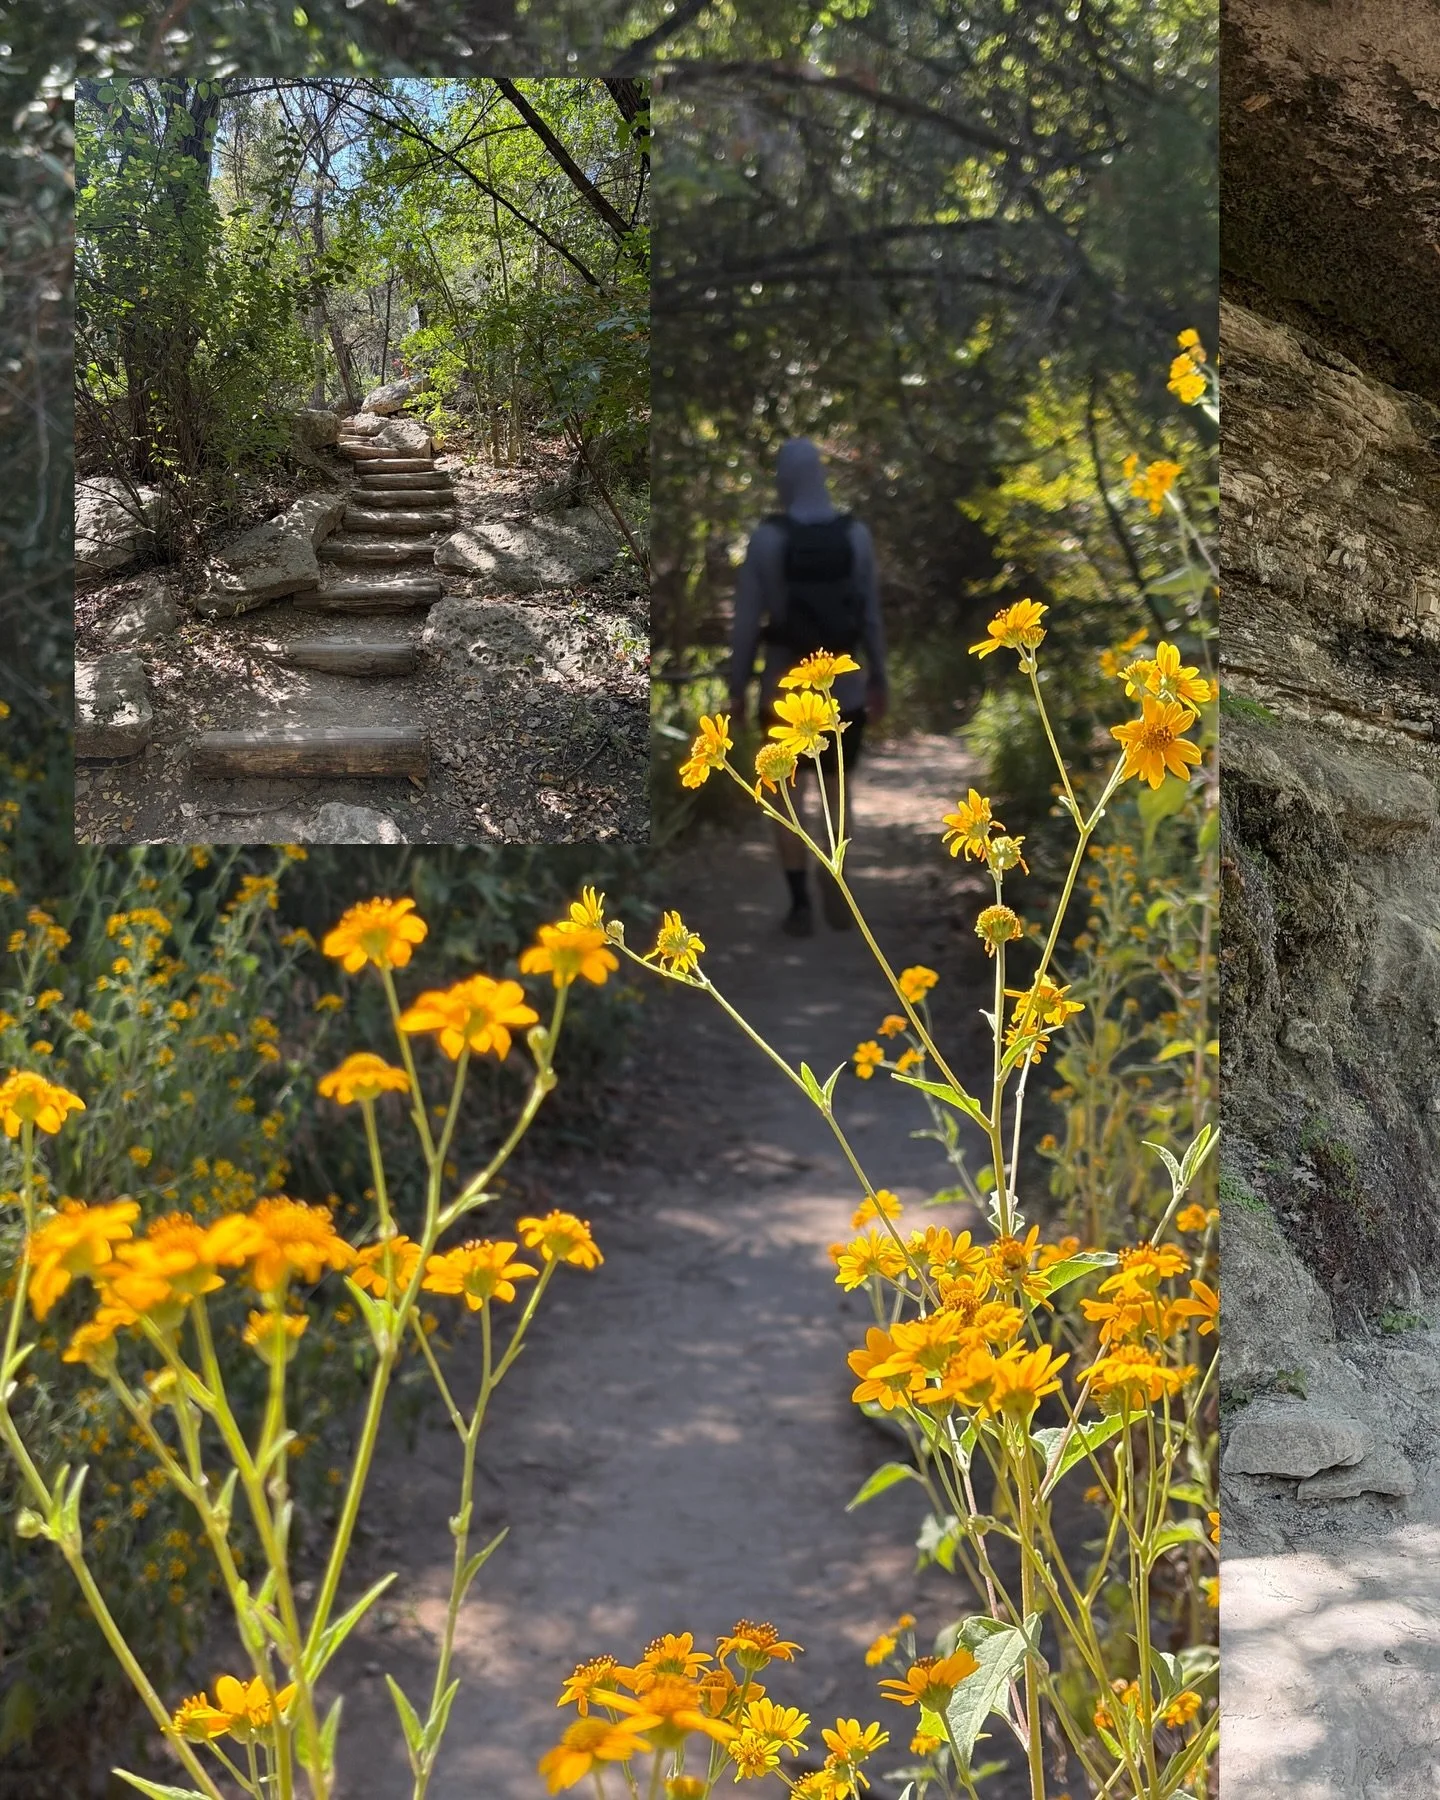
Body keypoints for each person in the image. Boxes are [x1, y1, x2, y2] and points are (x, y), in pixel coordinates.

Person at [729, 436, 888, 936]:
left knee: (786, 799)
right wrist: (879, 675)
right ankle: (836, 884)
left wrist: (736, 687)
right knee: (839, 792)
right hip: (847, 690)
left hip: (782, 689)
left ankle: (799, 904)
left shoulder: (767, 539)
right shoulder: (854, 535)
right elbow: (870, 614)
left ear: (784, 478)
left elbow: (746, 621)